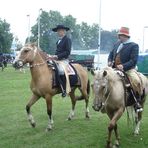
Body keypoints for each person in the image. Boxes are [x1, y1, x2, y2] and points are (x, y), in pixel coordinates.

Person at [108, 27, 143, 112]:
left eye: (120, 35)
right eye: (119, 35)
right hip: (114, 68)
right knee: (102, 78)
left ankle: (137, 101)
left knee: (136, 81)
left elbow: (133, 60)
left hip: (128, 70)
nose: (119, 37)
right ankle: (103, 101)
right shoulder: (117, 44)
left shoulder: (134, 45)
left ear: (125, 36)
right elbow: (111, 53)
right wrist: (109, 61)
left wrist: (123, 66)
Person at [52, 25, 72, 97]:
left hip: (64, 60)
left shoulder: (67, 40)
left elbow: (67, 52)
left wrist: (57, 56)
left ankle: (64, 89)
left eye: (59, 31)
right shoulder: (58, 41)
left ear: (64, 31)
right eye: (57, 31)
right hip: (57, 60)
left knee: (61, 71)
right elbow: (57, 51)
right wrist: (53, 56)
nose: (58, 32)